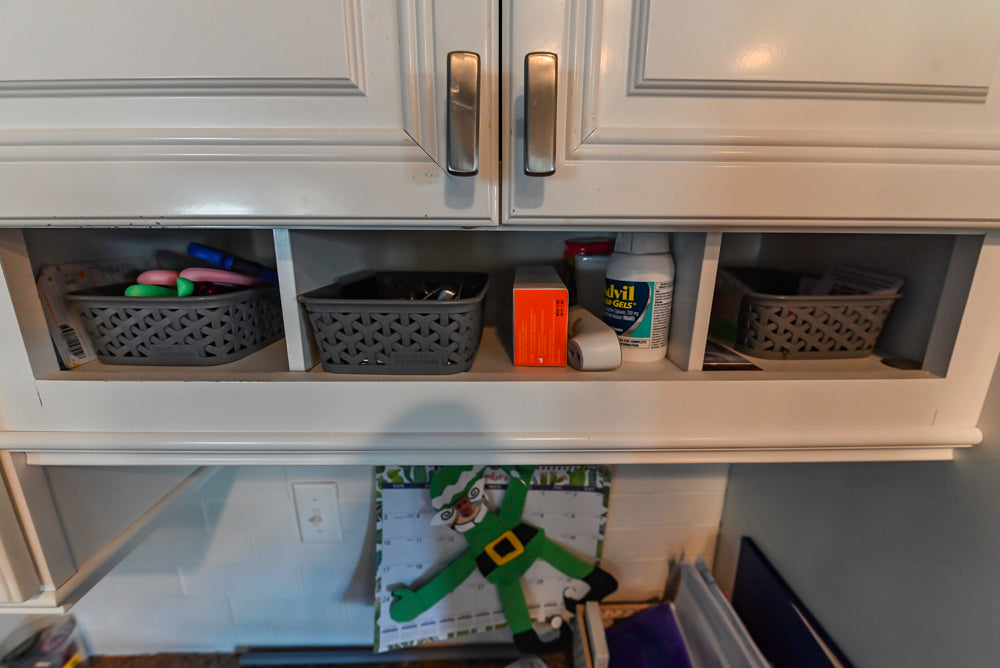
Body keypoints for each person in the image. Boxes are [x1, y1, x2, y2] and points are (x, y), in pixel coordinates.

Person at [389, 465, 618, 653]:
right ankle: (526, 637)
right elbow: (453, 575)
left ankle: (597, 580)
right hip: (499, 562)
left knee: (543, 550)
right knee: (510, 581)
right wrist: (419, 602)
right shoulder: (480, 537)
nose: (465, 507)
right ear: (449, 514)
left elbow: (514, 500)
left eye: (466, 499)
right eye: (457, 505)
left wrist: (521, 476)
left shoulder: (501, 519)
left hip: (521, 542)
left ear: (476, 493)